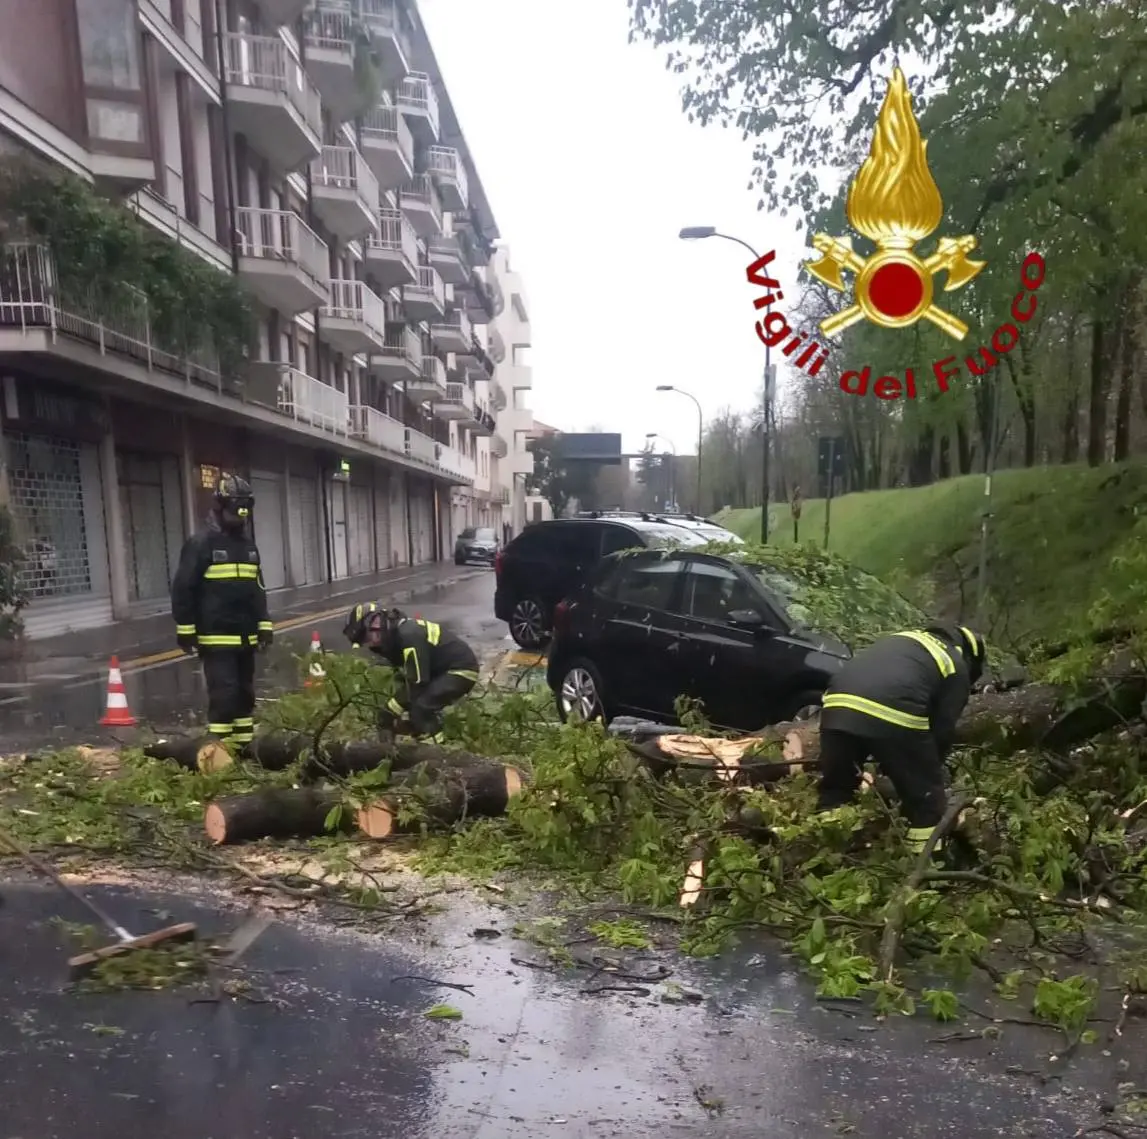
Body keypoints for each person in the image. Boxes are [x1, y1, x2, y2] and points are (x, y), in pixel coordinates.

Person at [816, 624, 986, 854]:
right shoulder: (954, 663)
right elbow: (942, 730)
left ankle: (828, 848)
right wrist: (926, 772)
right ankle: (926, 863)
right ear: (970, 656)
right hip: (892, 714)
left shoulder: (903, 640)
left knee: (837, 786)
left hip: (836, 707)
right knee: (926, 801)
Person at [171, 474, 273, 746]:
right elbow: (183, 588)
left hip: (245, 638)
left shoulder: (248, 546)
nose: (239, 519)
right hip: (216, 637)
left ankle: (243, 750)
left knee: (245, 695)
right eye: (234, 512)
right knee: (224, 695)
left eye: (243, 514)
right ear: (219, 507)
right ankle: (218, 751)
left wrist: (264, 626)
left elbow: (257, 589)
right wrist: (186, 628)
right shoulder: (201, 544)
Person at [343, 603, 479, 742]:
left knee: (421, 706)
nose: (370, 644)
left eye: (366, 637)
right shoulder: (396, 638)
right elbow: (406, 676)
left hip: (460, 670)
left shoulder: (408, 636)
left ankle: (436, 749)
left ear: (377, 621)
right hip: (440, 671)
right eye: (364, 641)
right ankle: (420, 737)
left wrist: (390, 710)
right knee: (412, 708)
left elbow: (417, 681)